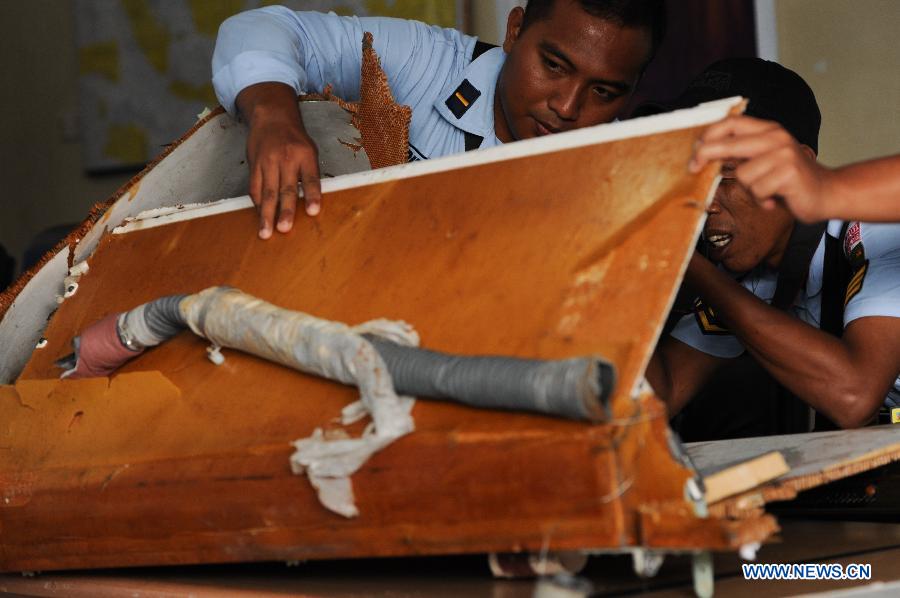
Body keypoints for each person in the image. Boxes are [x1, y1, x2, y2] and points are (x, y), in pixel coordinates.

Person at [212, 0, 665, 238]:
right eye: (553, 65)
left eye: (604, 91)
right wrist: (275, 117)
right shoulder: (426, 62)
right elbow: (263, 28)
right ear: (514, 31)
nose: (567, 107)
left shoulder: (617, 183)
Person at [641, 58, 900, 430]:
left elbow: (853, 395)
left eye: (727, 171)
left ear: (801, 167)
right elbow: (659, 398)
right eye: (692, 175)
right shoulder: (754, 274)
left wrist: (690, 266)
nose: (706, 201)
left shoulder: (876, 229)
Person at [690, 117, 900, 224]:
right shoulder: (749, 266)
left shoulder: (868, 232)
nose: (708, 205)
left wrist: (828, 191)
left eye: (726, 174)